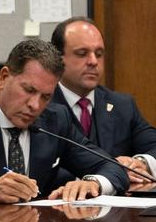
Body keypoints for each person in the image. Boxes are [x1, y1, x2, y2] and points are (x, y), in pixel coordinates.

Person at [0, 39, 129, 207]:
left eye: (46, 97)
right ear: (4, 77)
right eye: (29, 90)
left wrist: (94, 184)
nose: (35, 105)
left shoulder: (55, 119)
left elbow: (113, 167)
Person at [50, 16, 156, 183]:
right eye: (82, 53)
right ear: (57, 59)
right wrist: (107, 175)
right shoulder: (39, 107)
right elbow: (38, 168)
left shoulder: (122, 106)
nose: (93, 61)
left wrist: (139, 163)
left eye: (99, 54)